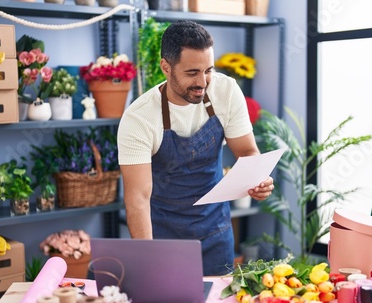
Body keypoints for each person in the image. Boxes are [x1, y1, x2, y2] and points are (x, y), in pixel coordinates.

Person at [117, 20, 274, 276]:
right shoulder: (140, 118)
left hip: (216, 230)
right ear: (166, 67)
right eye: (192, 73)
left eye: (208, 70)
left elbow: (247, 151)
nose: (203, 82)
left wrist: (257, 179)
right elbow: (137, 198)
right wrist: (147, 256)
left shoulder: (226, 91)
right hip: (163, 235)